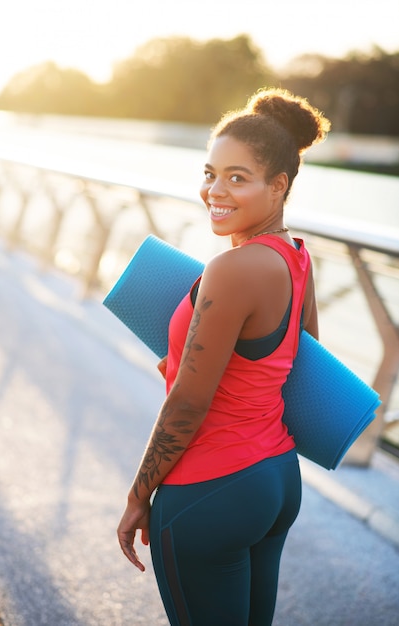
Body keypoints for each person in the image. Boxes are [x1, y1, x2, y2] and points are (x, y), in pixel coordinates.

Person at [117, 87, 330, 625]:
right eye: (210, 173)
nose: (215, 190)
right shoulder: (297, 259)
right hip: (274, 481)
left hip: (211, 485)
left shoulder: (232, 269)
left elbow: (190, 400)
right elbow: (294, 365)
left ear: (278, 185)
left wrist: (140, 494)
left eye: (238, 177)